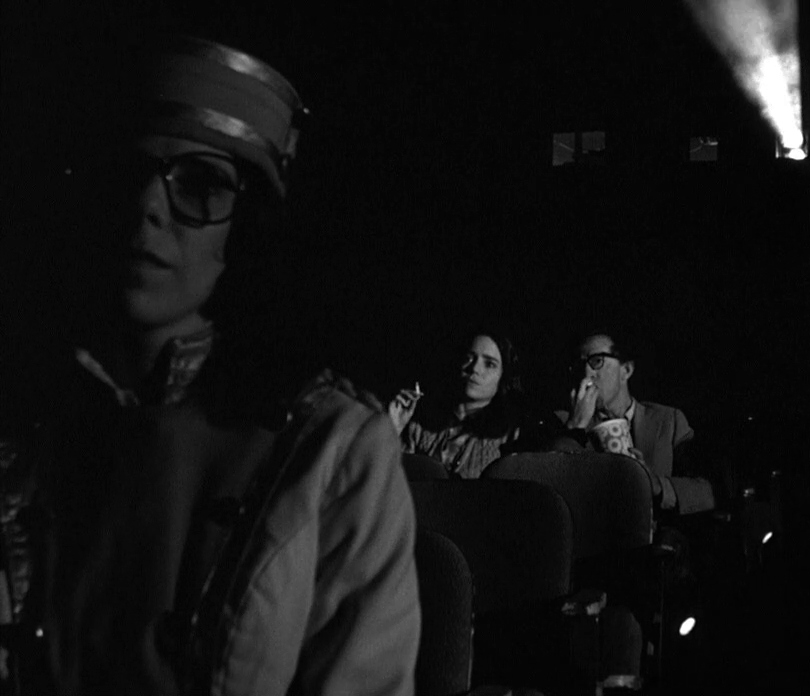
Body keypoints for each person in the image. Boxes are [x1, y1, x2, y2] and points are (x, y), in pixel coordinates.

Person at [0, 34, 419, 694]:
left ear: (247, 224)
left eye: (201, 185)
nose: (147, 206)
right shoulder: (28, 419)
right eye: (128, 172)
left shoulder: (333, 450)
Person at [556, 332, 716, 516]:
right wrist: (575, 425)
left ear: (626, 370)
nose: (587, 374)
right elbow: (549, 485)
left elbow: (707, 492)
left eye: (597, 361)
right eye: (579, 365)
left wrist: (655, 484)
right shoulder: (564, 423)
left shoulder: (668, 420)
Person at [389, 329, 546, 478]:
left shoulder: (509, 436)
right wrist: (393, 427)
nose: (474, 368)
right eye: (469, 358)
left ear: (503, 376)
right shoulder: (421, 425)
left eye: (489, 364)